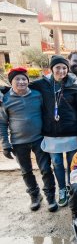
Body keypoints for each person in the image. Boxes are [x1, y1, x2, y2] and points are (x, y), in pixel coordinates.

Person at [31, 55, 77, 207]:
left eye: (64, 68)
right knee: (56, 163)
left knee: (71, 163)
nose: (61, 71)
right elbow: (22, 87)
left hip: (71, 131)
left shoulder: (75, 84)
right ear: (52, 69)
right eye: (58, 67)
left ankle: (71, 187)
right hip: (51, 132)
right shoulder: (43, 84)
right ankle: (61, 189)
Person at [0, 67, 58, 212]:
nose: (21, 82)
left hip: (39, 139)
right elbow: (2, 123)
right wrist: (5, 144)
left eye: (24, 79)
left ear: (28, 81)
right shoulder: (5, 99)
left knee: (45, 169)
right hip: (18, 143)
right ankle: (35, 195)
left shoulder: (37, 95)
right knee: (26, 171)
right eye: (17, 79)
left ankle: (50, 196)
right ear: (11, 82)